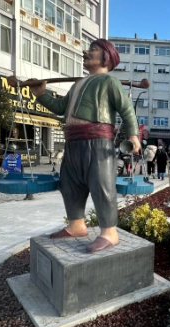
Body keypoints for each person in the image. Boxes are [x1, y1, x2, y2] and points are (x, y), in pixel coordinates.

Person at [29, 38, 140, 253]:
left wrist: (133, 135)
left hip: (97, 143)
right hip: (73, 143)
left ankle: (110, 233)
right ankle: (76, 225)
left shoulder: (110, 82)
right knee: (69, 185)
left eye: (93, 50)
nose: (86, 52)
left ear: (106, 57)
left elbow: (127, 110)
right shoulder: (77, 84)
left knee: (101, 185)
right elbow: (61, 107)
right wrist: (41, 94)